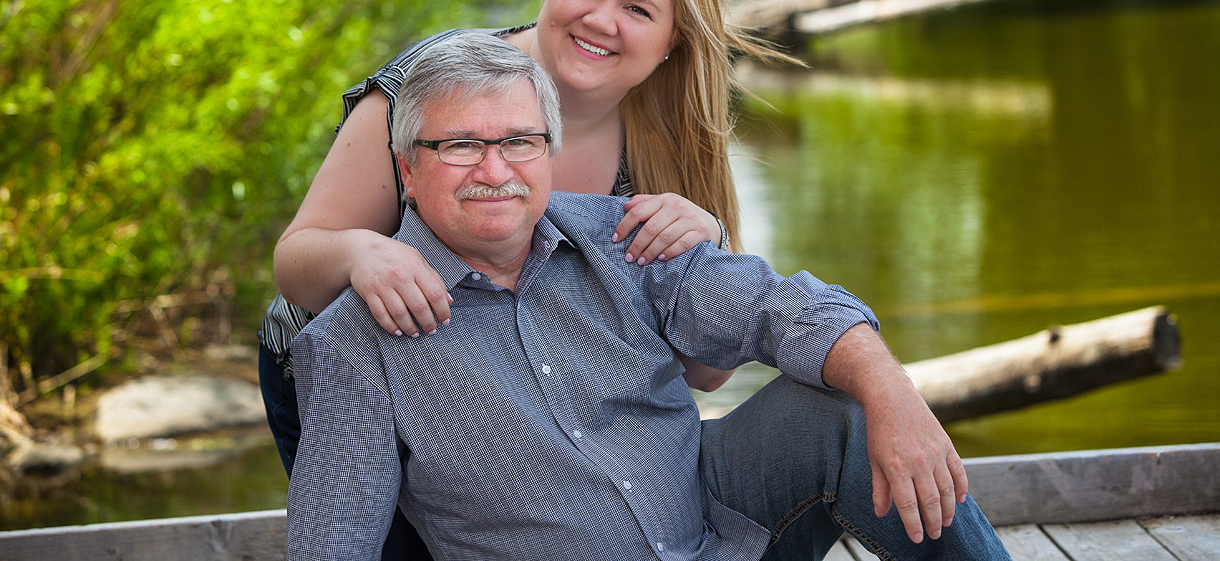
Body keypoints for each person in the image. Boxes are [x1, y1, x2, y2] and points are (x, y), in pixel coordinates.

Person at [287, 34, 1010, 561]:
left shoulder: (625, 236)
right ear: (408, 170)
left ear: (549, 151)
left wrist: (895, 393)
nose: (496, 169)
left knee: (841, 406)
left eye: (520, 141)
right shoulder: (355, 342)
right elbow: (333, 545)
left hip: (715, 541)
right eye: (461, 146)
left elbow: (779, 305)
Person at [258, 0, 795, 556]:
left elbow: (707, 372)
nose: (602, 19)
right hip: (354, 372)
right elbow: (295, 262)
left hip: (506, 394)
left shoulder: (669, 140)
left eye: (637, 8)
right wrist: (362, 255)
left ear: (669, 42)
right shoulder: (438, 85)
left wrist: (705, 242)